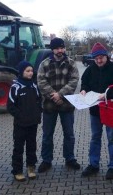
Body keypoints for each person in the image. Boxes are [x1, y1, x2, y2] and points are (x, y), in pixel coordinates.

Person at [80, 42, 113, 180]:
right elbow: (84, 83)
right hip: (95, 110)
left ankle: (112, 166)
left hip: (110, 109)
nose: (99, 60)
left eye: (101, 57)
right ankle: (93, 164)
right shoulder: (89, 70)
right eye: (96, 58)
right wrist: (83, 90)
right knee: (95, 137)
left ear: (106, 56)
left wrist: (107, 95)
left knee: (112, 138)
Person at [37, 37, 81, 173]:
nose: (60, 50)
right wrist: (54, 95)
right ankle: (46, 160)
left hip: (66, 105)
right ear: (52, 49)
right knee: (47, 135)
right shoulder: (44, 64)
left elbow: (74, 80)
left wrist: (60, 94)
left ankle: (70, 158)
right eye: (57, 48)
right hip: (49, 106)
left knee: (69, 134)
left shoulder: (71, 63)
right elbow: (41, 82)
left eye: (62, 48)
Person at [7, 61, 42, 182]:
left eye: (31, 70)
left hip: (32, 124)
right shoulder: (15, 87)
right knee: (18, 148)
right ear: (21, 72)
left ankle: (31, 168)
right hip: (20, 125)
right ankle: (17, 170)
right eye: (27, 71)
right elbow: (10, 106)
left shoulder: (34, 86)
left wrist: (37, 115)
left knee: (32, 147)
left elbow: (39, 102)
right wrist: (20, 116)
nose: (30, 73)